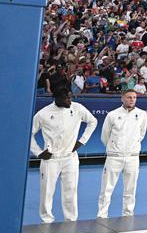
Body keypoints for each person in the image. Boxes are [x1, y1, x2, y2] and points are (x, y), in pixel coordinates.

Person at [31, 87, 98, 223]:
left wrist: (82, 141)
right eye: (66, 98)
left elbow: (93, 121)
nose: (70, 100)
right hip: (51, 159)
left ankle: (71, 220)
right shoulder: (43, 114)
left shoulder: (77, 108)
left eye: (70, 97)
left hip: (70, 157)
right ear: (56, 98)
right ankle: (46, 220)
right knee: (47, 192)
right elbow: (29, 134)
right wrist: (38, 152)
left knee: (71, 190)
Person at [96, 89, 147, 218]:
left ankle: (128, 215)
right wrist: (114, 148)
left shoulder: (142, 114)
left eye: (134, 97)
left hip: (132, 157)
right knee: (106, 189)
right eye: (129, 97)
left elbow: (141, 134)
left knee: (131, 189)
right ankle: (102, 215)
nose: (132, 100)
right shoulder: (112, 115)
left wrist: (132, 147)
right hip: (114, 157)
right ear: (122, 98)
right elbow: (105, 136)